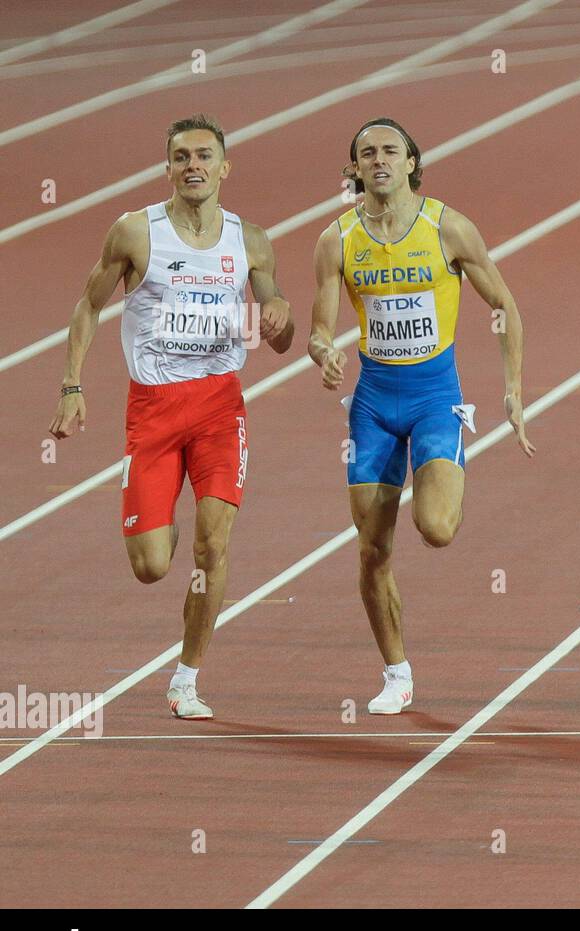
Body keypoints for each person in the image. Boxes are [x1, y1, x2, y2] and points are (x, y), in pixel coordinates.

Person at [47, 114, 294, 719]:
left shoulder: (251, 240)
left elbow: (277, 329)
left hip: (218, 406)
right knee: (153, 566)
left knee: (214, 547)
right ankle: (160, 527)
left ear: (224, 167)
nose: (193, 166)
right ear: (167, 168)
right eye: (181, 156)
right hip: (153, 411)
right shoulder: (135, 234)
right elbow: (88, 306)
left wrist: (280, 314)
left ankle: (186, 677)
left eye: (205, 156)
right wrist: (72, 385)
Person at [308, 117, 534, 714]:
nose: (378, 160)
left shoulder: (448, 228)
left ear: (411, 162)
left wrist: (512, 389)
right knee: (372, 547)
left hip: (435, 397)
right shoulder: (336, 239)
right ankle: (396, 672)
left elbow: (506, 306)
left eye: (390, 150)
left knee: (436, 528)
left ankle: (446, 467)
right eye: (366, 153)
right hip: (374, 406)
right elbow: (319, 328)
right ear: (353, 169)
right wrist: (323, 349)